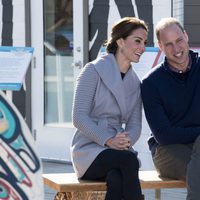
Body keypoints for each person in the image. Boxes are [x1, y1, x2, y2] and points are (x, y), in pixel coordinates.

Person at [71, 17, 148, 200]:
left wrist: (124, 141)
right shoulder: (93, 71)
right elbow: (78, 117)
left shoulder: (135, 83)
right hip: (88, 150)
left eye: (144, 42)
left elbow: (135, 124)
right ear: (120, 41)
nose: (143, 48)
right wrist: (107, 140)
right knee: (129, 161)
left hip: (118, 151)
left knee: (117, 177)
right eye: (137, 41)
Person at [141, 17, 200, 200]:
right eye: (169, 44)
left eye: (179, 41)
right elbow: (164, 135)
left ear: (186, 36)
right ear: (160, 46)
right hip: (167, 150)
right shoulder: (151, 83)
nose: (176, 50)